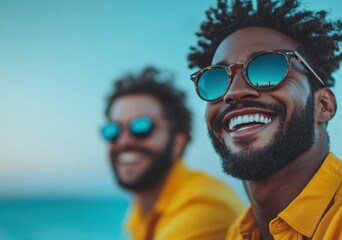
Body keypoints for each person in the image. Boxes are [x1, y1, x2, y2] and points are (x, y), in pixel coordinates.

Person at [187, 0, 342, 239]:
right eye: (216, 78)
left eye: (267, 68)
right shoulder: (237, 233)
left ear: (323, 106)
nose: (233, 92)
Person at [101, 66, 246, 240]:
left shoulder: (203, 208)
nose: (123, 141)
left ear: (177, 143)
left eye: (141, 127)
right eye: (113, 130)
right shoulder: (140, 211)